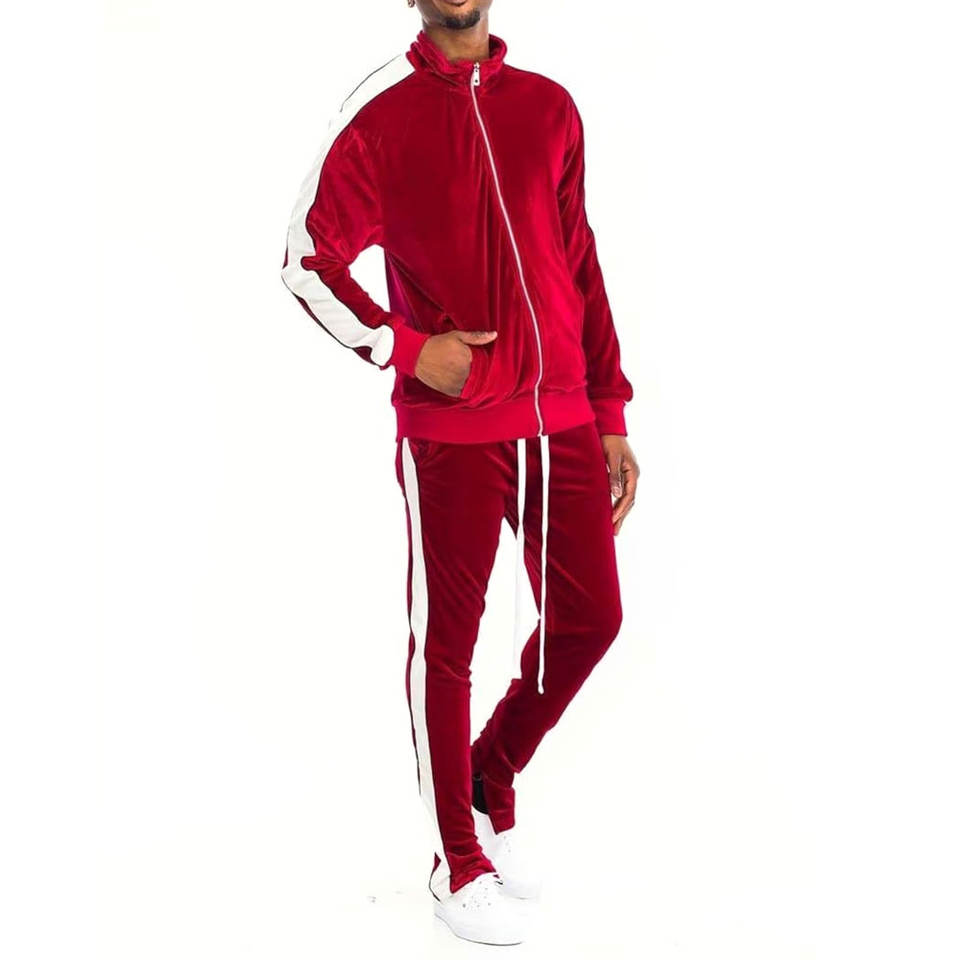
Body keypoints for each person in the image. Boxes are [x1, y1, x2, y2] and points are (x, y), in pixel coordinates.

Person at [280, 0, 639, 945]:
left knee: (591, 619)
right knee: (448, 646)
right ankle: (455, 859)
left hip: (561, 417)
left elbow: (578, 258)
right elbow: (305, 260)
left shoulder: (549, 107)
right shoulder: (381, 114)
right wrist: (406, 349)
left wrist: (607, 408)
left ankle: (489, 774)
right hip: (454, 433)